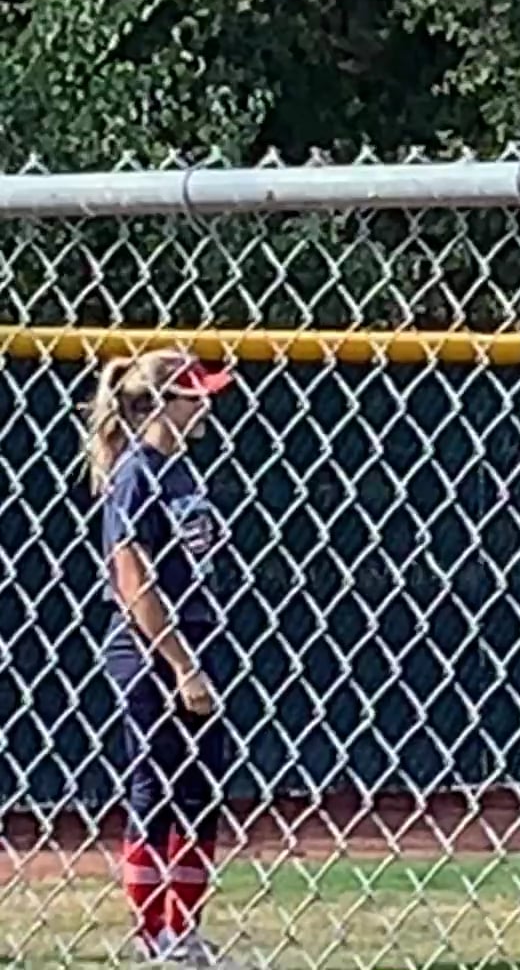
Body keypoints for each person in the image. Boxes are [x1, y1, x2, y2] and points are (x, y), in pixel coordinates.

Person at [86, 348, 237, 965]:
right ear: (160, 403)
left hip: (196, 637)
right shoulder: (136, 473)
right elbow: (133, 580)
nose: (205, 407)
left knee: (200, 791)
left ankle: (184, 931)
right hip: (152, 648)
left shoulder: (180, 471)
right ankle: (154, 935)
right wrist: (182, 664)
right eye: (193, 396)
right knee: (157, 787)